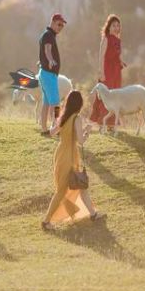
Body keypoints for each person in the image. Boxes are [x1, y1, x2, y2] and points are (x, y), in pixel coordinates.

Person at [41, 90, 105, 230]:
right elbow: (81, 141)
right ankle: (46, 221)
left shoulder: (63, 117)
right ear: (79, 104)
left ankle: (93, 214)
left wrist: (56, 119)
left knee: (79, 185)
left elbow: (52, 133)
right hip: (70, 155)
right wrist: (87, 131)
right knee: (62, 190)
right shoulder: (76, 118)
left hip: (61, 153)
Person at [90, 14, 127, 129]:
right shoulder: (106, 38)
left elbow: (116, 55)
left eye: (118, 26)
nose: (116, 28)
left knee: (115, 96)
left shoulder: (118, 40)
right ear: (108, 27)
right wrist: (101, 72)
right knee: (105, 95)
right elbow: (101, 56)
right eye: (113, 25)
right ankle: (102, 122)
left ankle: (111, 124)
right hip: (107, 70)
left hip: (116, 71)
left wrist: (121, 62)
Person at [38, 13, 66, 136]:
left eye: (62, 26)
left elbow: (45, 51)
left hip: (45, 74)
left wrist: (45, 60)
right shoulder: (48, 35)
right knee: (55, 104)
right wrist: (50, 60)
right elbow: (47, 50)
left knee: (46, 103)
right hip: (48, 75)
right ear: (53, 22)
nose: (60, 27)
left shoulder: (48, 34)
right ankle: (56, 128)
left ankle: (44, 130)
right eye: (59, 24)